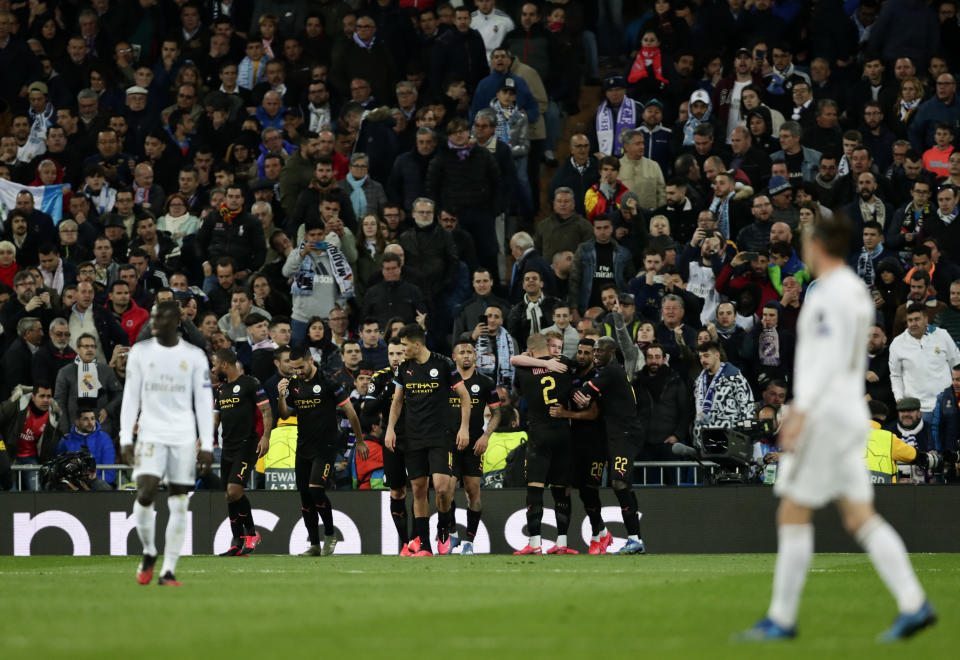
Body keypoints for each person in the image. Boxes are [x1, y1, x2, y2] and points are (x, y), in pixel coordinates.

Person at [738, 214, 935, 642]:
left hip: (826, 417)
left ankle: (782, 618)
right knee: (860, 516)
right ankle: (914, 603)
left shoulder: (829, 296)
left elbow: (824, 361)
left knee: (793, 510)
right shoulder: (857, 294)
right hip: (849, 417)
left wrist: (801, 414)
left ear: (817, 245)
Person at [120, 301, 214, 587]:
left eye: (160, 317)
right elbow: (130, 397)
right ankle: (149, 550)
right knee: (146, 492)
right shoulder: (140, 352)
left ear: (176, 322)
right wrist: (126, 437)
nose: (153, 322)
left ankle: (168, 570)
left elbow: (203, 401)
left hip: (183, 435)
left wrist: (207, 444)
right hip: (150, 433)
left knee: (179, 501)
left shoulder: (195, 356)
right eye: (153, 316)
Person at [384, 323, 471, 556]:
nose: (402, 350)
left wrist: (464, 428)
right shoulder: (404, 368)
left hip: (442, 436)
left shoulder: (444, 364)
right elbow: (397, 401)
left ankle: (443, 528)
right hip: (414, 438)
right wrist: (390, 429)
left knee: (442, 488)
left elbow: (465, 397)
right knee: (419, 489)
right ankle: (424, 544)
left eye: (404, 346)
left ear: (417, 344)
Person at [279, 346, 366, 557]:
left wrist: (361, 441)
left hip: (326, 446)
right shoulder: (293, 383)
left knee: (316, 489)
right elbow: (284, 414)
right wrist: (281, 395)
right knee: (305, 497)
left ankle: (329, 534)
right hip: (303, 447)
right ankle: (315, 545)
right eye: (294, 368)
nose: (297, 372)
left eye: (300, 367)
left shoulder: (328, 381)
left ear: (311, 360)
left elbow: (350, 412)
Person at [571, 336, 646, 554]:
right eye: (594, 351)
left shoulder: (611, 372)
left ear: (611, 351)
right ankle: (635, 539)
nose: (595, 354)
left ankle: (635, 539)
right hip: (615, 435)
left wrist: (583, 393)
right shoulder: (610, 373)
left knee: (619, 483)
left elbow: (584, 394)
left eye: (599, 351)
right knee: (620, 484)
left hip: (625, 434)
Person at [509, 333, 576, 554]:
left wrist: (536, 363)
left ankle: (535, 544)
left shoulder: (524, 369)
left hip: (539, 435)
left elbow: (515, 369)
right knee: (561, 490)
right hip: (563, 433)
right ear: (548, 347)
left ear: (529, 351)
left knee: (535, 489)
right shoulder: (563, 363)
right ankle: (562, 544)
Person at [444, 338, 501, 555]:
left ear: (475, 356)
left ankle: (469, 541)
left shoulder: (485, 382)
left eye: (470, 351)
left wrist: (486, 436)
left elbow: (496, 412)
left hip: (475, 445)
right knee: (445, 491)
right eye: (462, 352)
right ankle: (452, 535)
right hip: (449, 443)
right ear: (454, 357)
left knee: (472, 492)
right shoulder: (446, 381)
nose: (466, 355)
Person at [212, 349, 272, 557]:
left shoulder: (250, 383)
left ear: (225, 364)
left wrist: (266, 437)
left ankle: (252, 534)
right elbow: (215, 420)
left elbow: (266, 411)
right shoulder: (220, 390)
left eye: (215, 364)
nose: (213, 368)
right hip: (227, 447)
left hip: (247, 445)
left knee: (234, 491)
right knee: (230, 496)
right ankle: (237, 543)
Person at [361, 338, 411, 554]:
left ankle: (423, 539)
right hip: (393, 440)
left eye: (399, 353)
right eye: (391, 354)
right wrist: (388, 390)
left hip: (419, 438)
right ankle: (406, 543)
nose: (395, 358)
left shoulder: (418, 373)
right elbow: (367, 410)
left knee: (421, 490)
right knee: (397, 492)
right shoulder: (381, 377)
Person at [889, 302, 960, 420]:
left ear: (926, 319)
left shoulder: (942, 335)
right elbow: (896, 375)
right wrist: (899, 398)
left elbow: (956, 365)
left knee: (949, 438)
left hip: (946, 405)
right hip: (917, 408)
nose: (913, 323)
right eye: (910, 320)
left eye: (917, 319)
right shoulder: (897, 343)